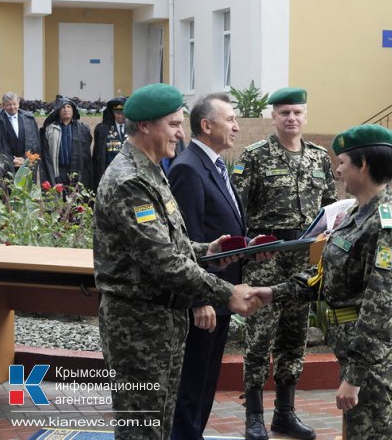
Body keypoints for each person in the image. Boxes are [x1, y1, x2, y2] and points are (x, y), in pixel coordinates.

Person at [93, 83, 268, 440]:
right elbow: (163, 262)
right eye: (173, 124)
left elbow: (173, 243)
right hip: (139, 328)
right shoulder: (129, 181)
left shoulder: (151, 169)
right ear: (145, 126)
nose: (180, 133)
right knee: (142, 430)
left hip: (162, 325)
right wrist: (226, 293)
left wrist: (210, 250)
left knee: (162, 424)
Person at [254, 123, 392, 439]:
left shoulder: (384, 226)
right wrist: (272, 293)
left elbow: (380, 310)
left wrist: (354, 377)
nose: (338, 170)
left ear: (364, 165)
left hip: (373, 362)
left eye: (342, 162)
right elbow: (326, 278)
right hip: (357, 354)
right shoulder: (359, 213)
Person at [232, 87, 337, 440]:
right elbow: (235, 208)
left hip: (303, 259)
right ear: (273, 117)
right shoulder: (255, 155)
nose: (291, 118)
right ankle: (254, 417)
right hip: (267, 256)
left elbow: (330, 207)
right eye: (284, 113)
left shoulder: (320, 157)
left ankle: (285, 414)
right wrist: (245, 248)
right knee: (260, 339)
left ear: (305, 116)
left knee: (294, 339)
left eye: (297, 112)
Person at [168, 93, 251, 439]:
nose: (236, 126)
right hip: (205, 298)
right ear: (206, 125)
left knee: (206, 382)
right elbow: (188, 240)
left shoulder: (215, 163)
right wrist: (199, 299)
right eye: (230, 119)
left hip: (222, 293)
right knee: (192, 383)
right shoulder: (188, 168)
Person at [40, 96, 95, 191]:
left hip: (76, 171)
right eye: (63, 107)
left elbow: (86, 153)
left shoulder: (82, 129)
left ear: (73, 110)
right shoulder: (50, 129)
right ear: (58, 111)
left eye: (69, 107)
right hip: (58, 171)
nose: (66, 110)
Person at [0, 92, 42, 178]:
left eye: (14, 104)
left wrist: (25, 159)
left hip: (26, 164)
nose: (12, 107)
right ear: (3, 105)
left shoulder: (29, 119)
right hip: (5, 166)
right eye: (8, 105)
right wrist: (11, 160)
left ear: (18, 103)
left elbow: (35, 143)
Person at [92, 96, 127, 188]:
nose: (120, 116)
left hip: (129, 176)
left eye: (123, 113)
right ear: (112, 112)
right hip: (110, 176)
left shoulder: (134, 129)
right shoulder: (103, 129)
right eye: (117, 113)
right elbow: (97, 157)